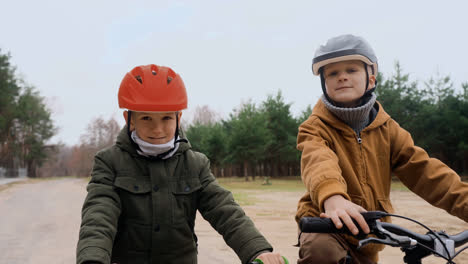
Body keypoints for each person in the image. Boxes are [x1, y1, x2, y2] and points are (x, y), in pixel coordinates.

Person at [76, 64, 287, 264]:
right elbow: (98, 215)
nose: (157, 129)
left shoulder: (195, 164)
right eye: (147, 118)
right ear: (129, 119)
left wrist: (258, 250)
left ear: (179, 117)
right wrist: (93, 258)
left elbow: (225, 211)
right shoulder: (110, 162)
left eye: (166, 118)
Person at [295, 34, 468, 264]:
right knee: (321, 251)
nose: (342, 77)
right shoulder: (314, 128)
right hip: (325, 225)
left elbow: (425, 172)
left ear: (371, 79)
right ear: (324, 83)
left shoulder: (388, 130)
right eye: (333, 73)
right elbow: (318, 161)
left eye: (352, 70)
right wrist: (333, 197)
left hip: (370, 236)